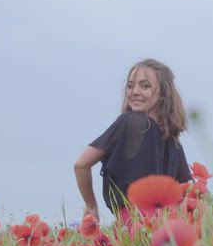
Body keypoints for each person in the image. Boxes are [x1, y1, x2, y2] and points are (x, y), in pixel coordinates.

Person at [74, 58, 192, 223]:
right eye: (130, 86)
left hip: (133, 225)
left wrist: (91, 206)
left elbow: (81, 164)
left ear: (163, 94)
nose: (134, 92)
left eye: (145, 86)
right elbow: (190, 191)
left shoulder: (132, 122)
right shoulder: (173, 141)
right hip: (164, 228)